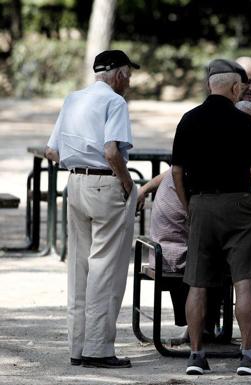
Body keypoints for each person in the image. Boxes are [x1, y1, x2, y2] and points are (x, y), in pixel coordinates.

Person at [171, 58, 251, 376]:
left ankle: (197, 355)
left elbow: (176, 171)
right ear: (234, 88)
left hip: (201, 204)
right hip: (240, 206)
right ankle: (247, 356)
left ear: (208, 86)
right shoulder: (244, 123)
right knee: (244, 282)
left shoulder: (188, 120)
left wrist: (190, 204)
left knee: (198, 283)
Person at [44, 50, 139, 368]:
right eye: (129, 74)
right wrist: (126, 182)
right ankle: (98, 349)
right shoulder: (115, 102)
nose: (129, 81)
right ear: (119, 74)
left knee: (79, 267)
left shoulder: (73, 99)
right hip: (106, 183)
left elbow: (51, 151)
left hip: (75, 183)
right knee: (105, 269)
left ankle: (77, 346)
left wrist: (79, 160)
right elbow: (112, 151)